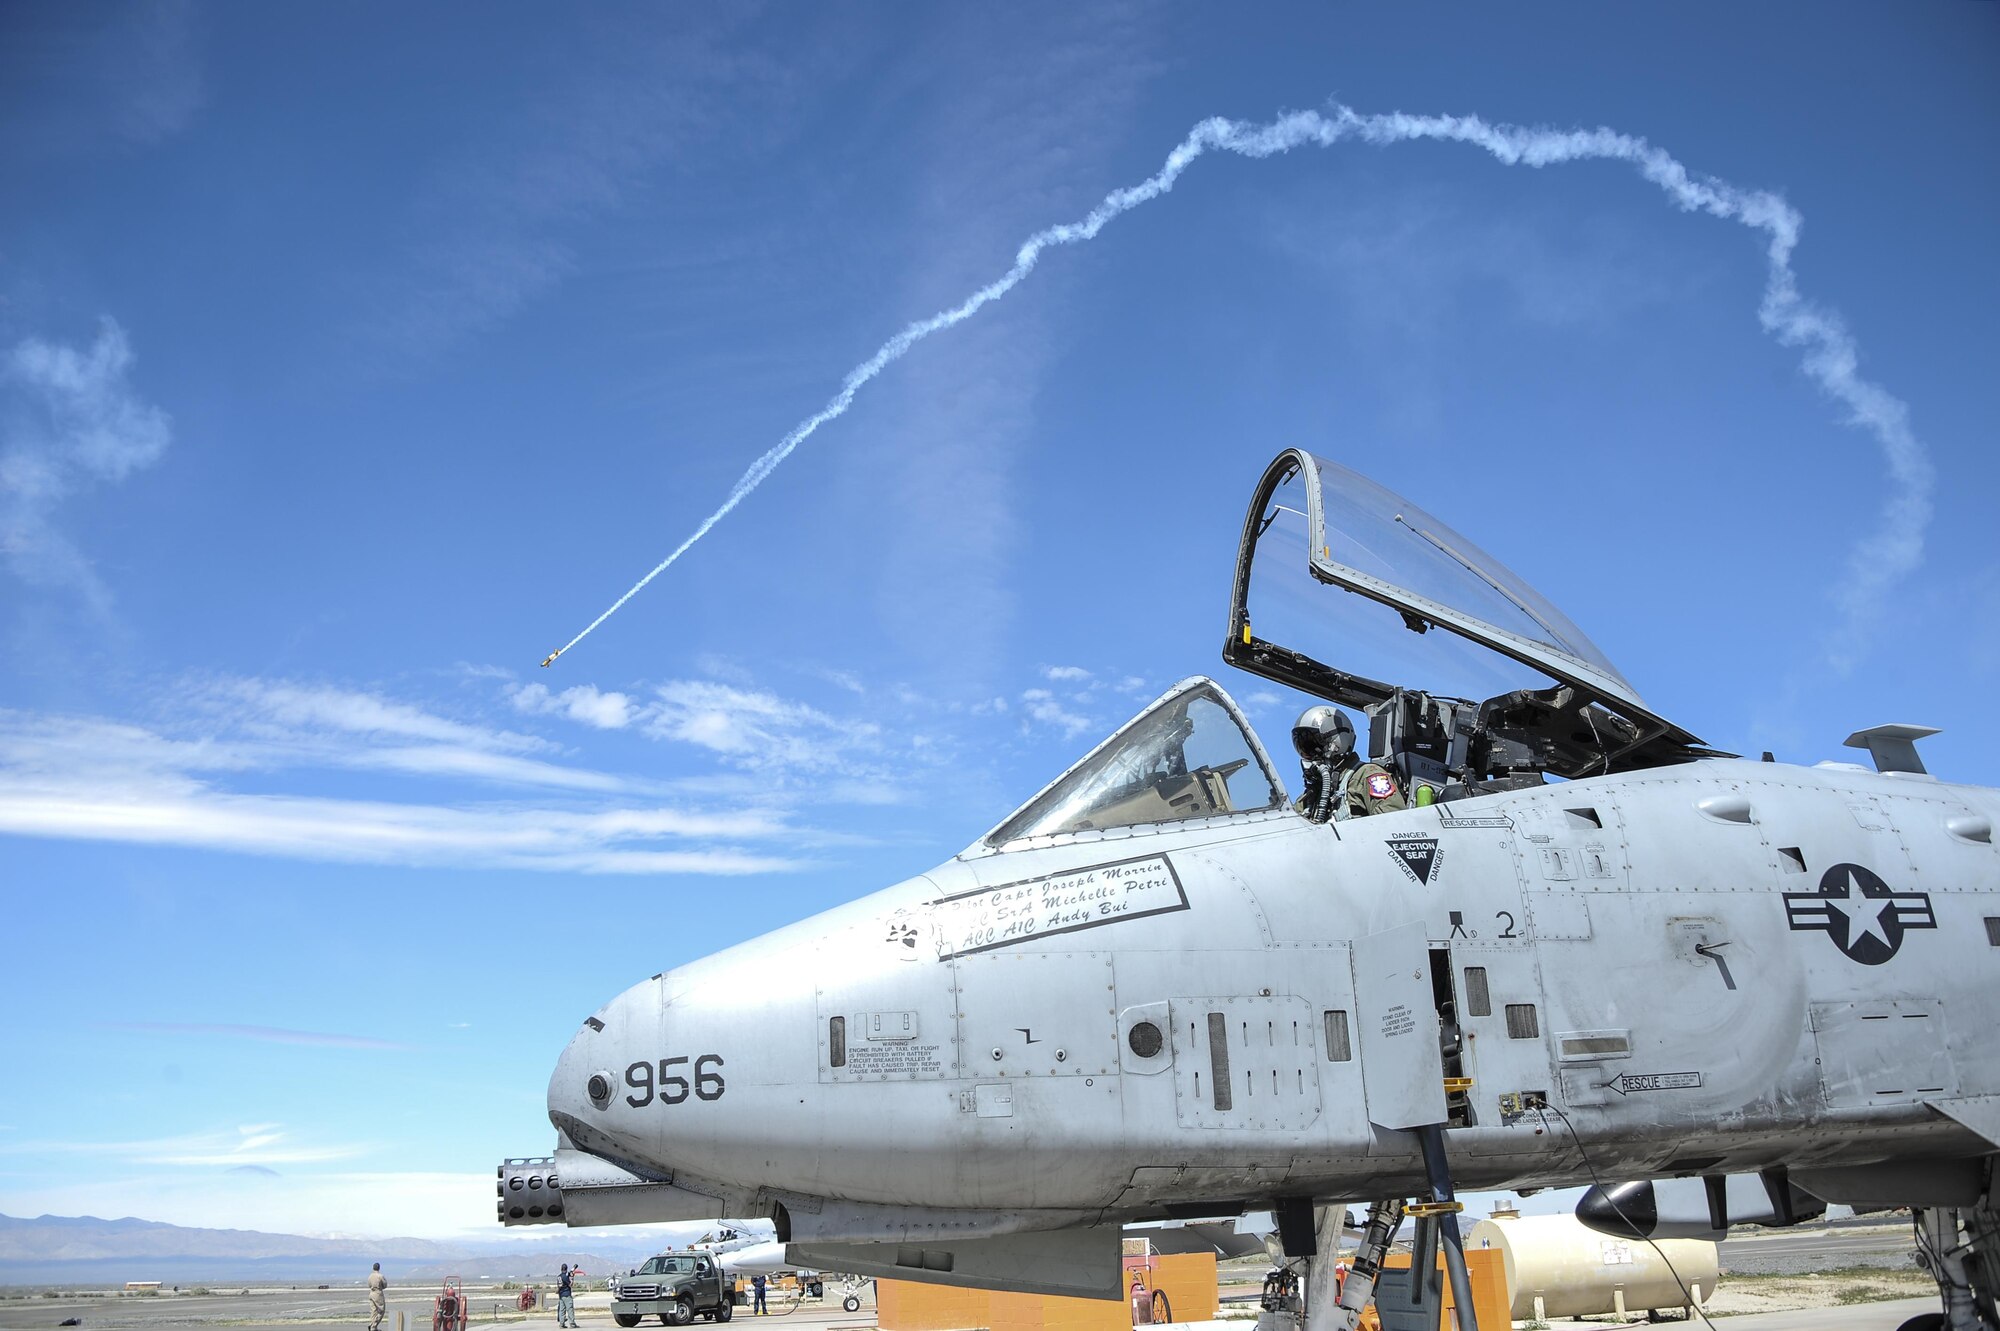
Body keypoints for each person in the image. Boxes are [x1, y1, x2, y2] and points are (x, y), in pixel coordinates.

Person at [1291, 705, 1406, 823]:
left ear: (1337, 742)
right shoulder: (1310, 797)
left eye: (1315, 747)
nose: (1311, 755)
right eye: (1305, 749)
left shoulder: (1367, 775)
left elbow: (1393, 823)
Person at [367, 1263, 387, 1331]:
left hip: (371, 1293)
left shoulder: (370, 1276)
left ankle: (372, 1324)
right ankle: (373, 1326)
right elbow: (385, 1285)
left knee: (374, 1310)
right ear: (379, 1268)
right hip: (378, 1293)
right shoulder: (380, 1276)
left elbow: (369, 1284)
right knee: (381, 1310)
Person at [556, 1263, 576, 1329]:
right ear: (566, 1268)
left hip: (561, 1295)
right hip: (567, 1294)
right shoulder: (566, 1276)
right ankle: (572, 1324)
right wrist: (572, 1278)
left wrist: (558, 1291)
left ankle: (561, 1324)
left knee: (562, 1310)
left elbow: (559, 1286)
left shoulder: (559, 1276)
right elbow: (570, 1285)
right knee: (570, 1309)